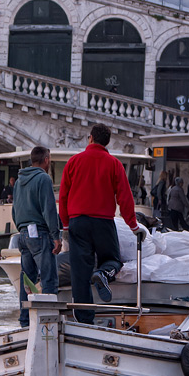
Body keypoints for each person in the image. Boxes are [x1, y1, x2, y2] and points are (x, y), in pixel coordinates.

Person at [58, 123, 142, 324]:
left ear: (90, 138)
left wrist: (66, 226)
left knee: (80, 271)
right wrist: (133, 226)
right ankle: (103, 273)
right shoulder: (114, 164)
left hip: (78, 222)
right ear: (108, 142)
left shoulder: (73, 162)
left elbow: (63, 196)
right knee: (113, 260)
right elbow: (125, 197)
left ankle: (85, 319)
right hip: (103, 222)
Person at [12, 146, 62, 328]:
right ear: (46, 159)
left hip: (23, 234)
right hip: (40, 234)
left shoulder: (18, 182)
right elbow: (49, 209)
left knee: (27, 281)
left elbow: (14, 211)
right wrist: (56, 236)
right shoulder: (43, 179)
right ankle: (47, 323)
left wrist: (21, 227)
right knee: (49, 279)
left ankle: (25, 323)